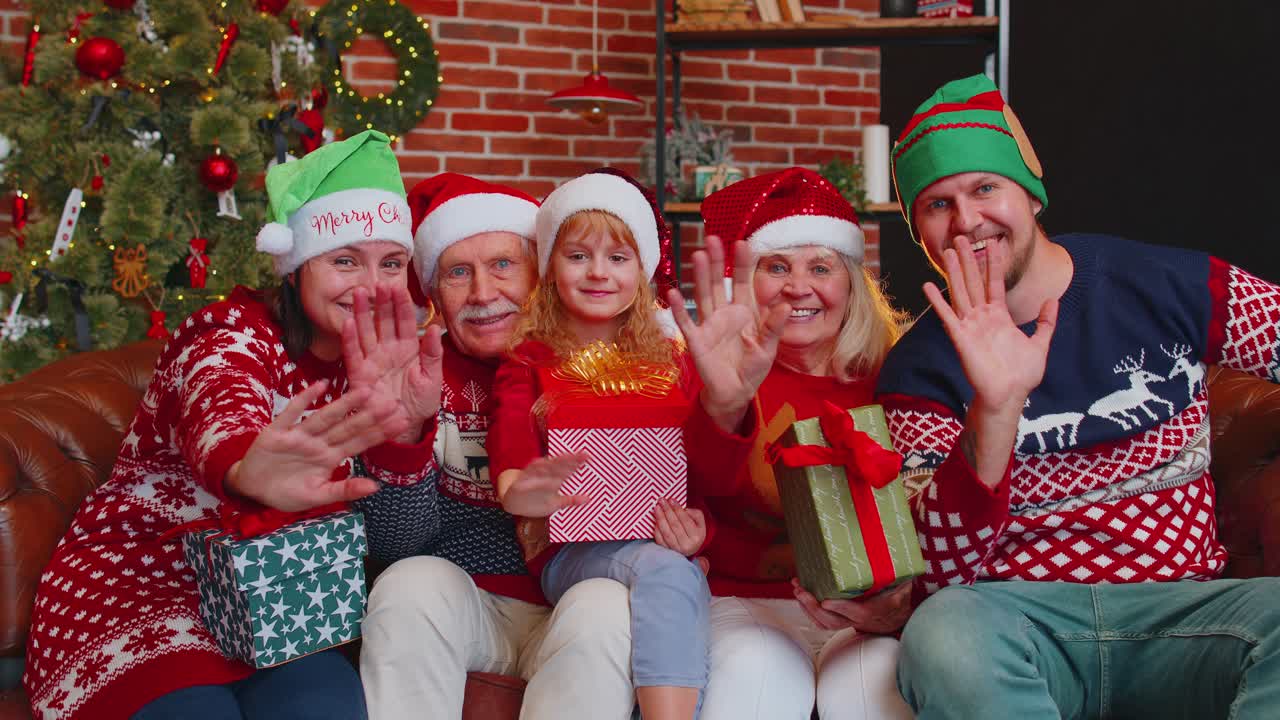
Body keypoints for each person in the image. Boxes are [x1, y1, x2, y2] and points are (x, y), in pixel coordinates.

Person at [876, 74, 1280, 719]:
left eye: (985, 188)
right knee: (943, 632)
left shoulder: (1166, 284)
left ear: (1030, 195)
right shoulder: (916, 370)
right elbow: (939, 573)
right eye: (937, 204)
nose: (968, 219)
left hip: (1186, 616)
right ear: (919, 230)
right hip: (1019, 621)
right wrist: (995, 409)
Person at [23, 130, 443, 720]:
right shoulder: (228, 334)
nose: (372, 286)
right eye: (344, 259)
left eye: (391, 263)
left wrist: (402, 432)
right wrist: (248, 467)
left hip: (284, 600)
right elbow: (221, 405)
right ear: (296, 268)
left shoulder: (396, 363)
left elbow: (402, 543)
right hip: (142, 587)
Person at [486, 168, 772, 719]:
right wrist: (523, 493)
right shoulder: (528, 360)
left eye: (618, 258)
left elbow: (704, 481)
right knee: (667, 572)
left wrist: (699, 532)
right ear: (549, 266)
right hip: (565, 550)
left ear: (641, 270)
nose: (599, 273)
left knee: (670, 568)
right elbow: (511, 450)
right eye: (577, 256)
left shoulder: (676, 360)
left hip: (658, 548)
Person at [358, 172, 637, 720]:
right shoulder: (403, 372)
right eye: (459, 273)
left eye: (504, 265)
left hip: (574, 600)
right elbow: (390, 545)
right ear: (435, 294)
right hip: (462, 601)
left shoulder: (613, 356)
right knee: (408, 583)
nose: (484, 294)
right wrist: (404, 437)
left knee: (610, 605)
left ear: (545, 271)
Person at [665, 167, 915, 720]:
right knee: (757, 675)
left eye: (820, 268)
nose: (798, 287)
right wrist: (724, 404)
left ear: (851, 282)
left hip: (867, 607)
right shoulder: (714, 365)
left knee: (872, 689)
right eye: (777, 267)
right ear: (749, 281)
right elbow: (692, 493)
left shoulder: (899, 375)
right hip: (748, 599)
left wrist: (896, 605)